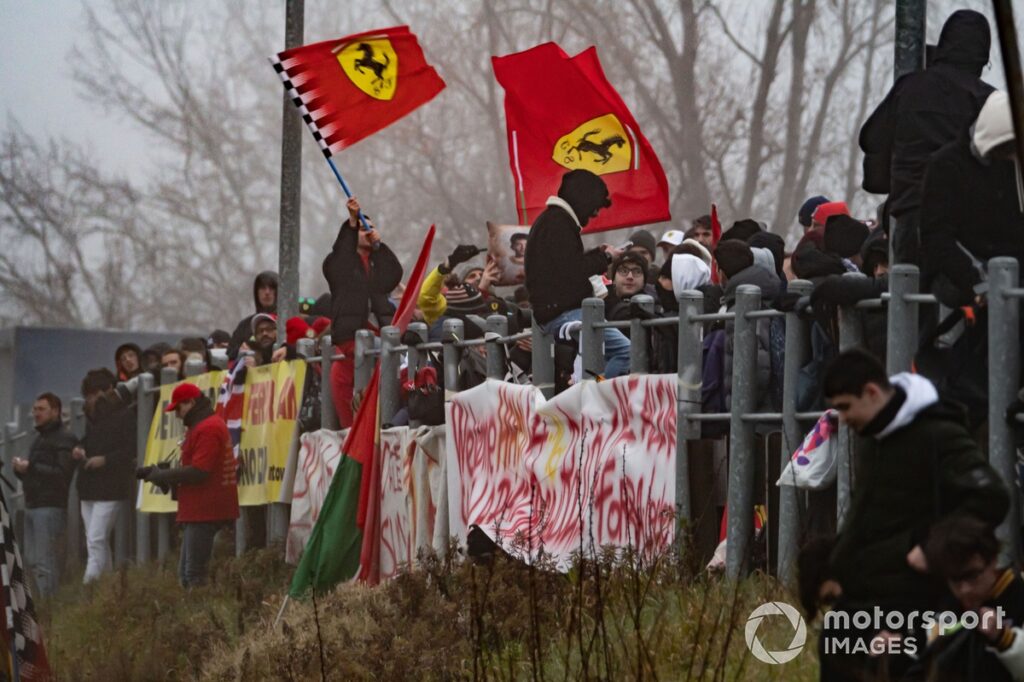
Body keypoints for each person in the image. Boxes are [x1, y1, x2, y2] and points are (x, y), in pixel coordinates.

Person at [817, 349, 1009, 679]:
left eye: (846, 407)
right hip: (860, 603)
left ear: (872, 392)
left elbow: (990, 495)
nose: (843, 419)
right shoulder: (876, 438)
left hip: (907, 605)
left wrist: (931, 547)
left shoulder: (937, 435)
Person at [859, 9, 994, 265]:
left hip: (910, 218)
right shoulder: (987, 100)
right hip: (966, 227)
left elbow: (871, 138)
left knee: (908, 294)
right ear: (982, 58)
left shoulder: (909, 88)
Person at [920, 91, 1024, 309]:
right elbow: (937, 236)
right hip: (963, 275)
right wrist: (978, 281)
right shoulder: (945, 166)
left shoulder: (1012, 166)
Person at [525, 169, 630, 379]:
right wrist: (606, 258)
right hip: (565, 313)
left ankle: (588, 393)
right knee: (626, 352)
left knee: (605, 357)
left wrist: (596, 254)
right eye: (595, 207)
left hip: (555, 312)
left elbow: (564, 264)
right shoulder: (558, 223)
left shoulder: (551, 221)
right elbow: (572, 271)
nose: (595, 215)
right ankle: (593, 397)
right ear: (584, 199)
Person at [137, 383, 239, 587]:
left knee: (193, 574)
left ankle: (199, 616)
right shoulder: (204, 426)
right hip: (200, 509)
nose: (177, 415)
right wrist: (162, 475)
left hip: (205, 510)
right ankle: (197, 614)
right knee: (187, 573)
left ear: (190, 402)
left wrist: (164, 475)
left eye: (178, 409)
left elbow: (199, 471)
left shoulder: (207, 428)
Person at [909, 515, 1024, 680]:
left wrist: (1003, 638)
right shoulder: (946, 610)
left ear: (993, 561)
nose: (964, 589)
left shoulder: (1018, 594)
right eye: (955, 580)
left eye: (972, 576)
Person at [323, 196, 403, 427]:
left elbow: (394, 275)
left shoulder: (378, 265)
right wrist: (350, 222)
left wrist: (381, 248)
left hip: (380, 335)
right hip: (353, 339)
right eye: (362, 227)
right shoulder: (339, 264)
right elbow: (341, 257)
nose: (368, 230)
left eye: (371, 226)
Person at [74, 369, 136, 583]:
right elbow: (88, 441)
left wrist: (105, 460)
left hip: (111, 487)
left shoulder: (124, 415)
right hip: (90, 487)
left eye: (93, 394)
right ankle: (106, 585)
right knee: (96, 540)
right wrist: (80, 448)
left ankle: (89, 584)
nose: (90, 399)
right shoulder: (93, 419)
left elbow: (130, 449)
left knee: (96, 538)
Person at [12, 393, 76, 598]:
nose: (36, 414)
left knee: (45, 560)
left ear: (55, 411)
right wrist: (20, 471)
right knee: (31, 559)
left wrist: (31, 467)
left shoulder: (64, 438)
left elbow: (62, 474)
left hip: (50, 505)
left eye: (41, 409)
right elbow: (36, 474)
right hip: (33, 503)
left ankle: (50, 603)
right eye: (35, 409)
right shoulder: (38, 438)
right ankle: (42, 602)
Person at [227, 271, 278, 360]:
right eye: (262, 288)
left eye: (271, 288)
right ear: (256, 292)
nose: (267, 292)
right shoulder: (245, 326)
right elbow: (229, 355)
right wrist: (240, 352)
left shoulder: (288, 322)